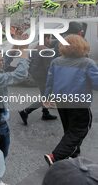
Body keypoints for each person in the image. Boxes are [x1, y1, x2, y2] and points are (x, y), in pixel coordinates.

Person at [44, 35, 98, 165]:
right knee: (79, 129)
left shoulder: (56, 61)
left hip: (61, 101)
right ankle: (55, 156)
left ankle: (73, 155)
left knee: (69, 129)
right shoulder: (87, 63)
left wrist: (46, 97)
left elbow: (49, 82)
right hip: (79, 103)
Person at [0, 48, 30, 159]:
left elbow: (5, 59)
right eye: (1, 60)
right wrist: (24, 57)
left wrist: (17, 46)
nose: (3, 61)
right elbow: (19, 75)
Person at [18, 34, 57, 125]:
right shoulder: (46, 50)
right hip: (44, 77)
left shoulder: (35, 48)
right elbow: (48, 67)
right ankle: (25, 111)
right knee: (46, 97)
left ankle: (45, 113)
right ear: (46, 38)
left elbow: (31, 62)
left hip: (37, 75)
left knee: (44, 94)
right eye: (50, 38)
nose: (51, 40)